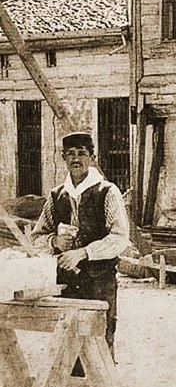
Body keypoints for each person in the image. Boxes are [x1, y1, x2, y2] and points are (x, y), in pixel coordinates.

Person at [31, 131, 131, 356]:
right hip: (66, 282)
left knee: (99, 344)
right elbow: (36, 239)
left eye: (82, 154)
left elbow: (119, 237)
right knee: (67, 343)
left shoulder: (107, 191)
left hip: (99, 281)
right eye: (71, 154)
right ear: (63, 157)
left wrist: (83, 253)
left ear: (92, 158)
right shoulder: (57, 195)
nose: (76, 159)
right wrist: (54, 241)